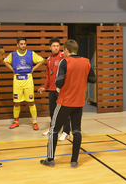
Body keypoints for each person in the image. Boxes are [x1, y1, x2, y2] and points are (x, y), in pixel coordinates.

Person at [40, 39, 96, 168]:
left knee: (54, 129)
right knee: (76, 131)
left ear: (66, 50)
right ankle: (74, 161)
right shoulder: (86, 62)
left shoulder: (64, 62)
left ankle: (50, 159)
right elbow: (93, 79)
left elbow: (58, 82)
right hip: (78, 102)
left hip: (64, 101)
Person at [3, 37, 45, 130]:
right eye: (21, 44)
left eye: (24, 44)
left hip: (28, 80)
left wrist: (33, 69)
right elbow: (5, 61)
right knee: (16, 102)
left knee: (31, 101)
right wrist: (12, 69)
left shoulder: (31, 53)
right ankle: (16, 122)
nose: (23, 45)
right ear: (17, 45)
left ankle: (34, 122)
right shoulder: (13, 54)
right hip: (17, 80)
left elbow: (42, 60)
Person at [38, 37, 71, 140]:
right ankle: (53, 128)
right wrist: (45, 86)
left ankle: (66, 132)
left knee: (63, 111)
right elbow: (48, 75)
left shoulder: (63, 56)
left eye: (58, 46)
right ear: (50, 47)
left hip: (61, 89)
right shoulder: (48, 59)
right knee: (52, 110)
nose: (56, 48)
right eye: (54, 46)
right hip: (52, 89)